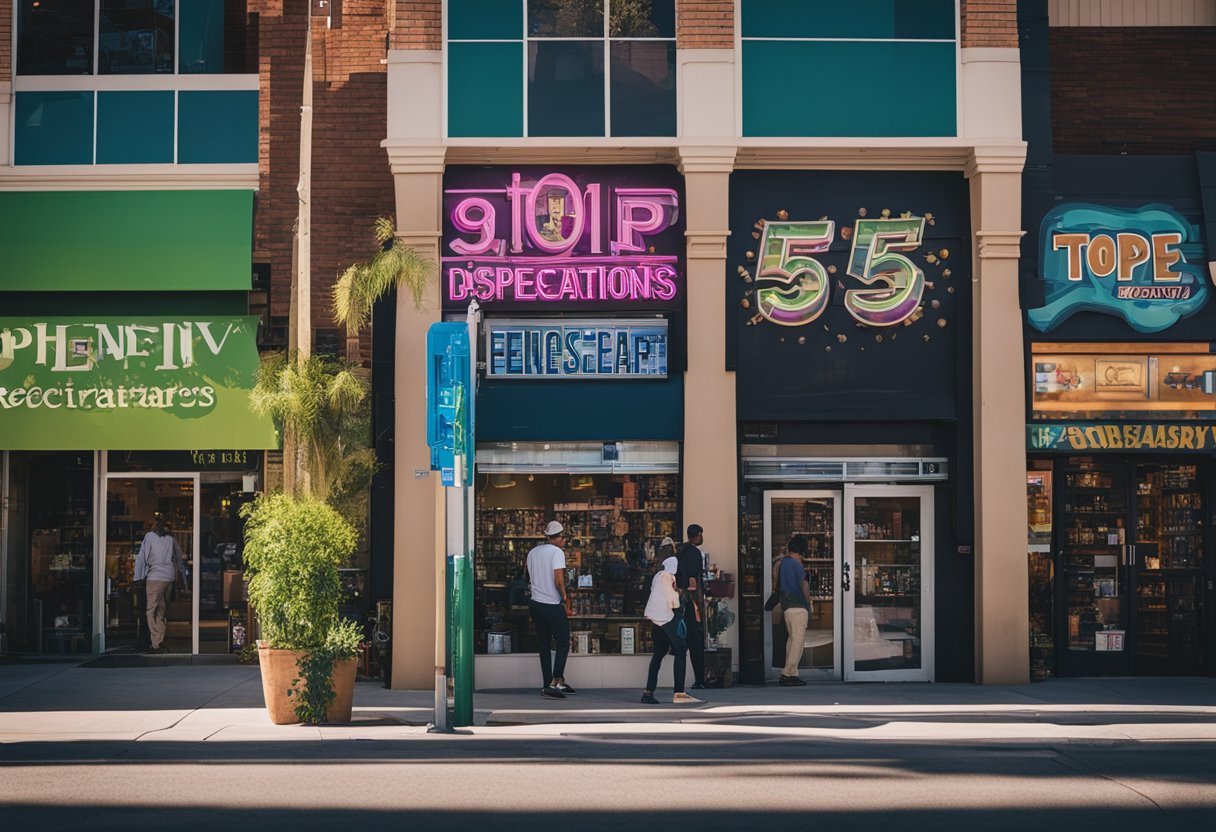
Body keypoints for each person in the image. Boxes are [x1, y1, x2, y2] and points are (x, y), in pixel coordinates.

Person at [641, 553, 702, 705]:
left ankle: (648, 692)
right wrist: (678, 593)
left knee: (659, 654)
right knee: (681, 650)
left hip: (656, 619)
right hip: (666, 617)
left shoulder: (657, 576)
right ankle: (679, 693)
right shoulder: (668, 577)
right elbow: (672, 602)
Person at [527, 520, 576, 699]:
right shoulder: (557, 552)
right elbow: (558, 579)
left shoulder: (533, 552)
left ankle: (548, 682)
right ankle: (556, 680)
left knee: (544, 644)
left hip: (535, 603)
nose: (564, 541)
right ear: (558, 537)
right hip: (551, 604)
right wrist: (565, 597)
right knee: (563, 641)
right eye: (563, 537)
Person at [134, 519, 186, 654]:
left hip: (154, 577)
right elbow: (179, 558)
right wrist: (184, 580)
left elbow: (142, 557)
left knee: (150, 610)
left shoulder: (149, 537)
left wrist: (138, 577)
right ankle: (159, 638)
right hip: (169, 577)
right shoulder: (171, 539)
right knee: (162, 609)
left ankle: (155, 642)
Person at [774, 535, 813, 685]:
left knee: (791, 641)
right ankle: (788, 674)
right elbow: (804, 586)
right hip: (798, 607)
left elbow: (775, 580)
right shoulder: (797, 565)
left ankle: (791, 672)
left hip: (786, 607)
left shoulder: (782, 563)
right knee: (797, 642)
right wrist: (808, 605)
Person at [675, 524, 707, 689]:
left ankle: (683, 680)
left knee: (682, 640)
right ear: (698, 535)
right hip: (690, 601)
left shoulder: (681, 551)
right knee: (695, 641)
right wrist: (697, 602)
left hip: (679, 600)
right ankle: (699, 679)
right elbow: (693, 581)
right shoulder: (694, 553)